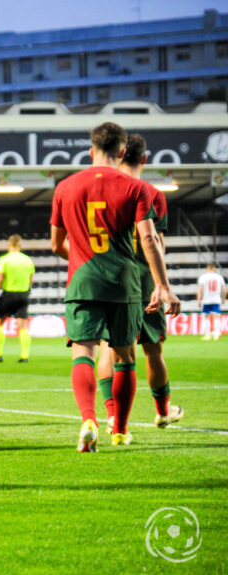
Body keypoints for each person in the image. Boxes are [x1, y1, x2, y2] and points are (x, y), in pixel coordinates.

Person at [50, 122, 180, 452]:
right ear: (122, 152)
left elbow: (55, 244)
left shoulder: (65, 186)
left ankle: (89, 420)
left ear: (90, 149)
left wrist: (82, 259)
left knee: (85, 352)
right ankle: (120, 431)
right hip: (126, 281)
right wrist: (163, 285)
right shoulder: (138, 189)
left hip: (83, 279)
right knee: (125, 356)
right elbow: (150, 238)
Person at [96, 134, 184, 440]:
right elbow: (155, 241)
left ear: (120, 155)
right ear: (144, 159)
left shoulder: (104, 187)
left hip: (113, 276)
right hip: (146, 277)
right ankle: (162, 412)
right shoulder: (151, 192)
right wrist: (163, 285)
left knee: (110, 347)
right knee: (152, 348)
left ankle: (111, 416)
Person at [0, 235, 35, 363]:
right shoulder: (27, 260)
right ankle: (25, 356)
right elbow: (31, 279)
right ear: (20, 246)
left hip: (9, 294)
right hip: (24, 294)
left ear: (9, 245)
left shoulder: (4, 260)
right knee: (23, 325)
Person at [198, 262, 226, 341]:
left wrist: (199, 300)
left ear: (207, 268)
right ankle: (217, 334)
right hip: (216, 300)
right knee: (216, 317)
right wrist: (223, 299)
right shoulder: (219, 277)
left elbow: (200, 290)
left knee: (206, 317)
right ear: (214, 268)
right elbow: (224, 290)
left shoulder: (203, 277)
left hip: (206, 300)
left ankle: (207, 335)